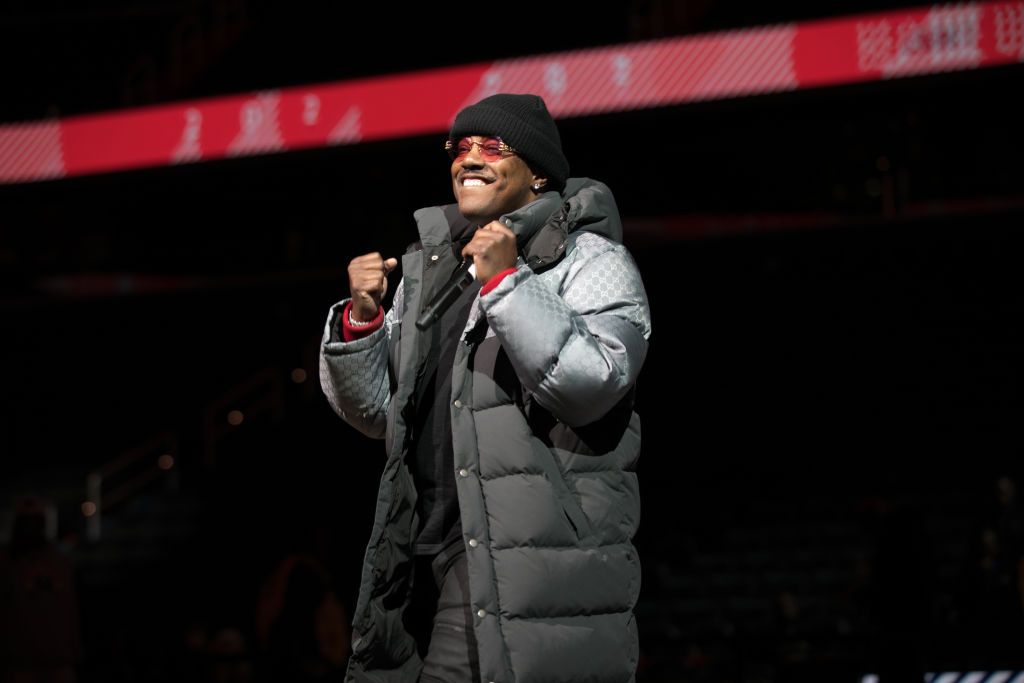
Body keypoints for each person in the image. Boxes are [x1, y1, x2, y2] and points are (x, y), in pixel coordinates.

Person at [319, 93, 652, 683]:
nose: (469, 158)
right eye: (460, 147)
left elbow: (593, 383)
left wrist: (506, 280)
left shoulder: (589, 259)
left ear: (538, 172)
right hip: (423, 551)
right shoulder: (429, 272)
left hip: (524, 551)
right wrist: (363, 320)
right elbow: (379, 414)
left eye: (492, 146)